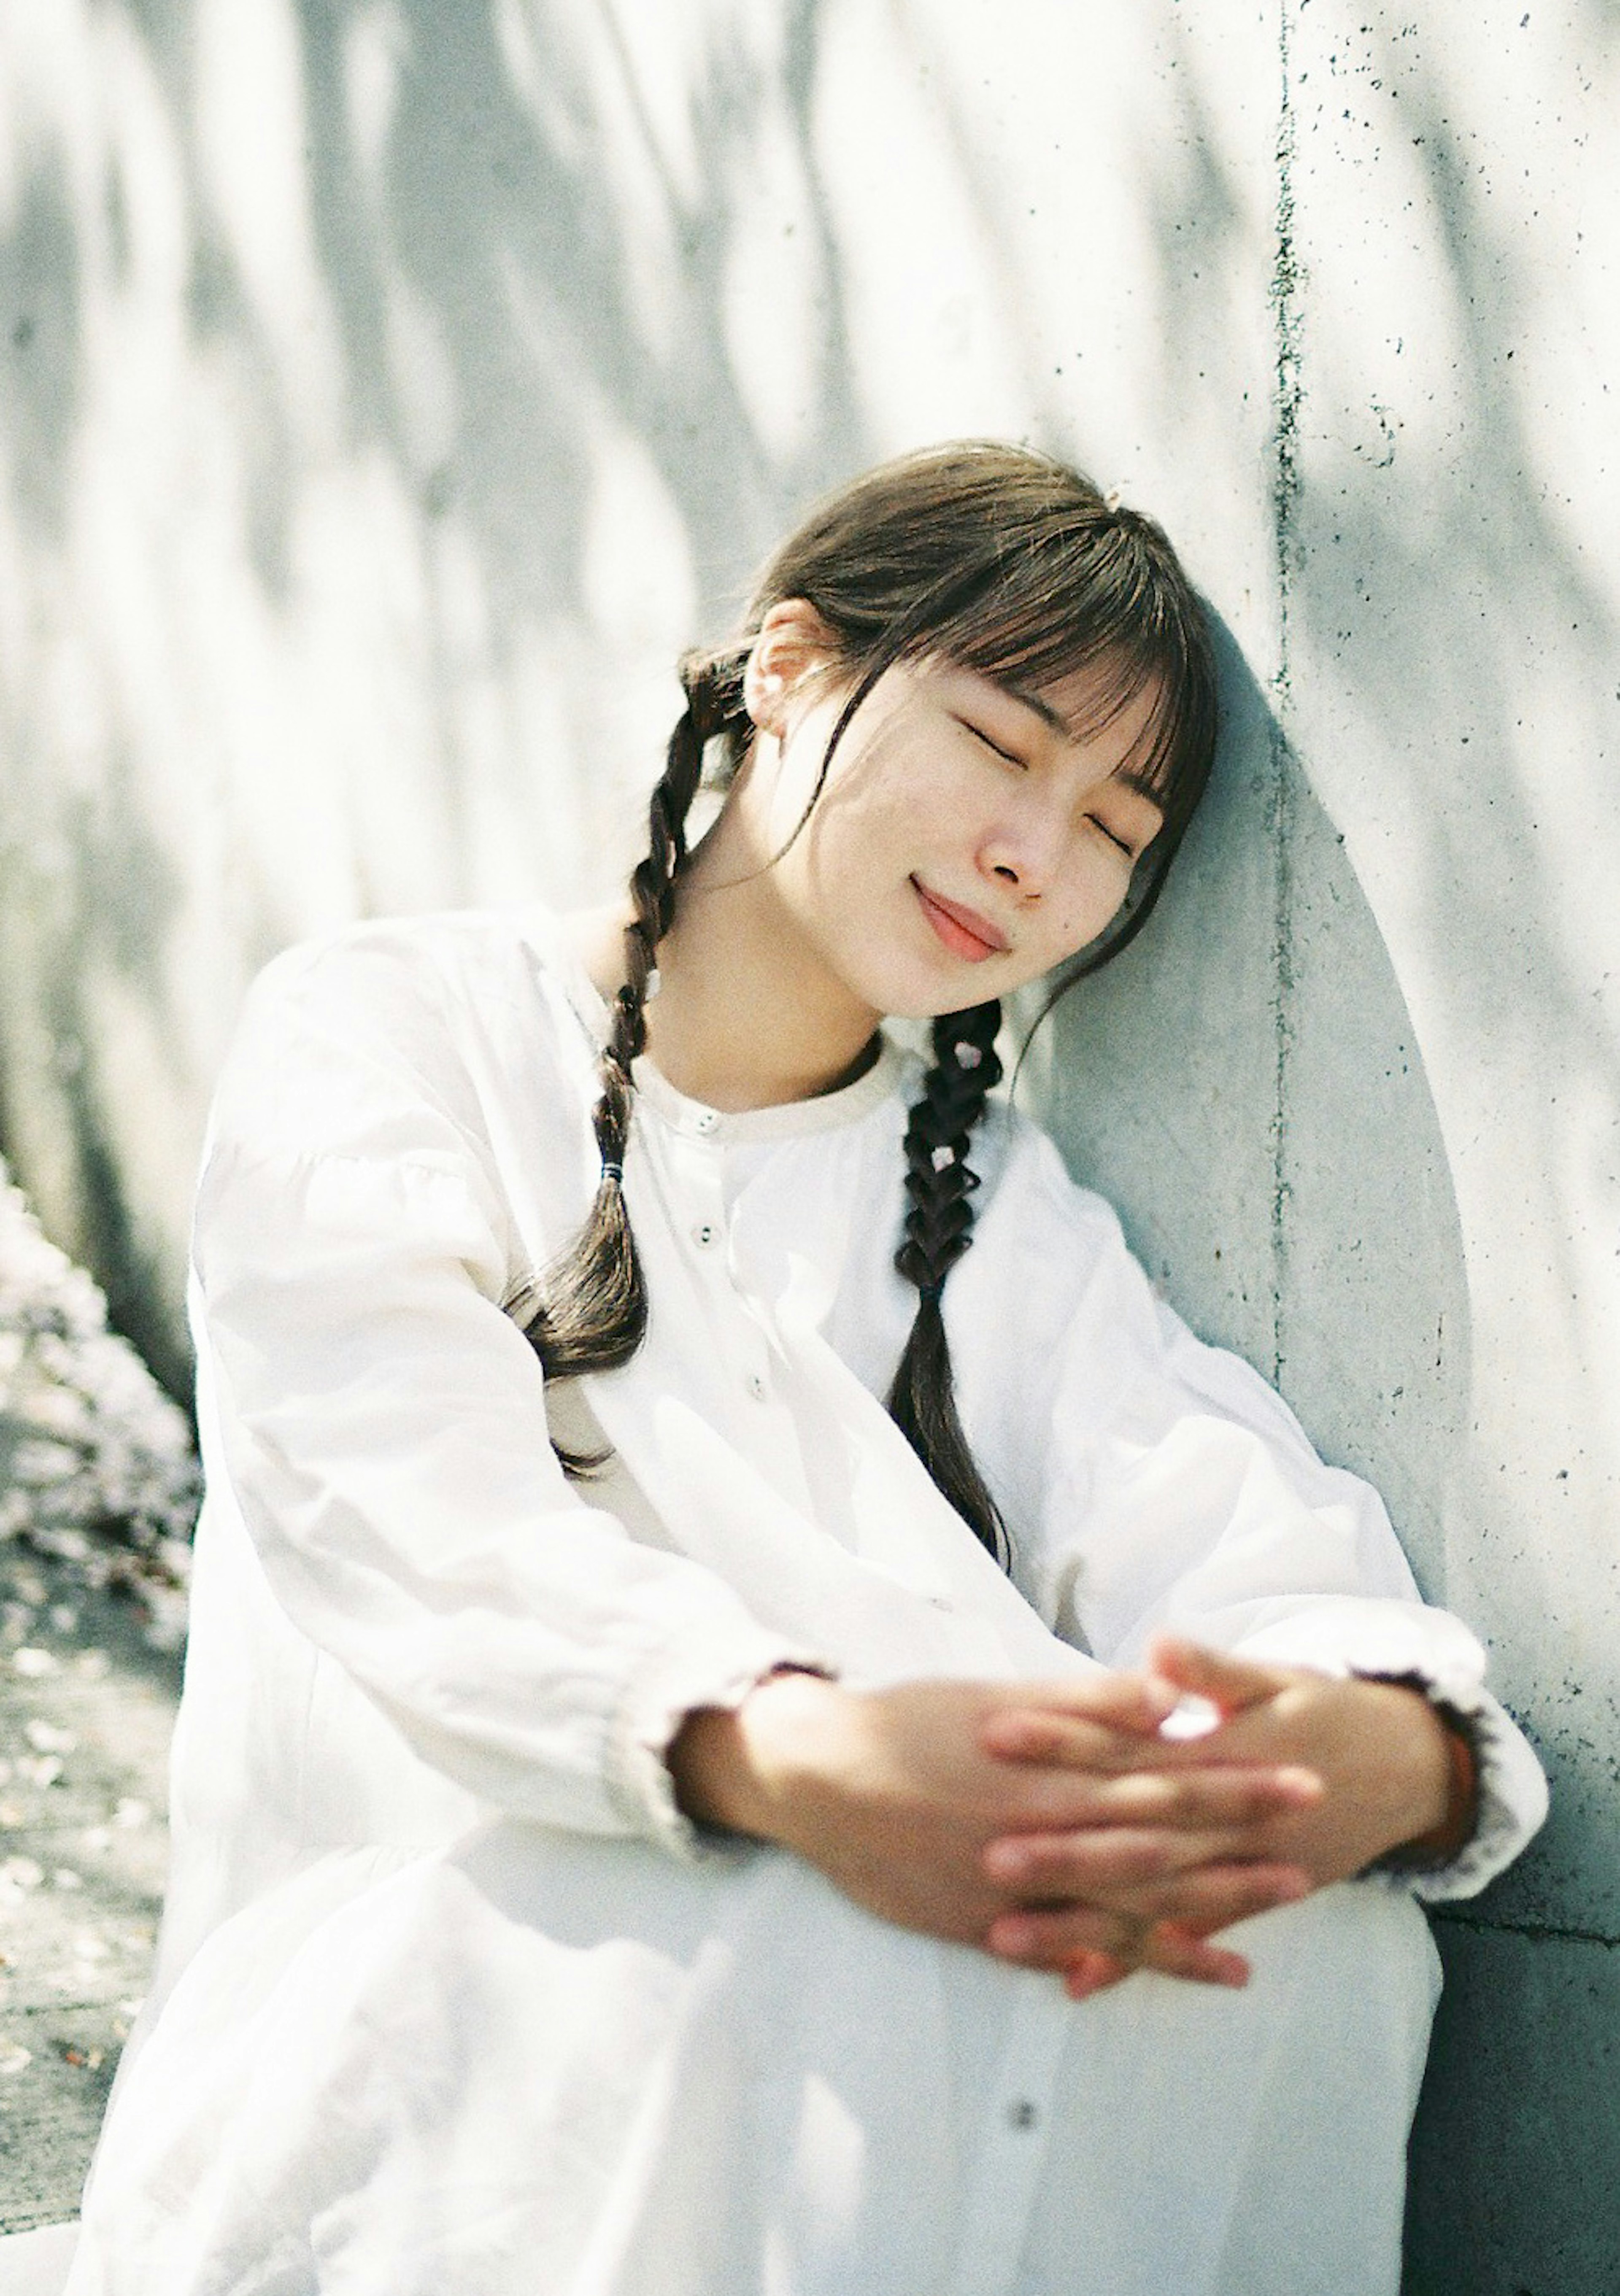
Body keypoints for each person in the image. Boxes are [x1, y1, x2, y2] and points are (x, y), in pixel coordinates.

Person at [66, 443, 1545, 2296]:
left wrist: (1354, 1749)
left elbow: (1220, 1513)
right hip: (455, 1942)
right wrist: (796, 1753)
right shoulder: (392, 1029)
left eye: (1116, 827)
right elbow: (405, 1521)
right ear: (791, 666)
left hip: (868, 1904)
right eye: (1006, 745)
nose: (1037, 853)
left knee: (1323, 1947)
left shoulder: (994, 1198)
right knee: (805, 1928)